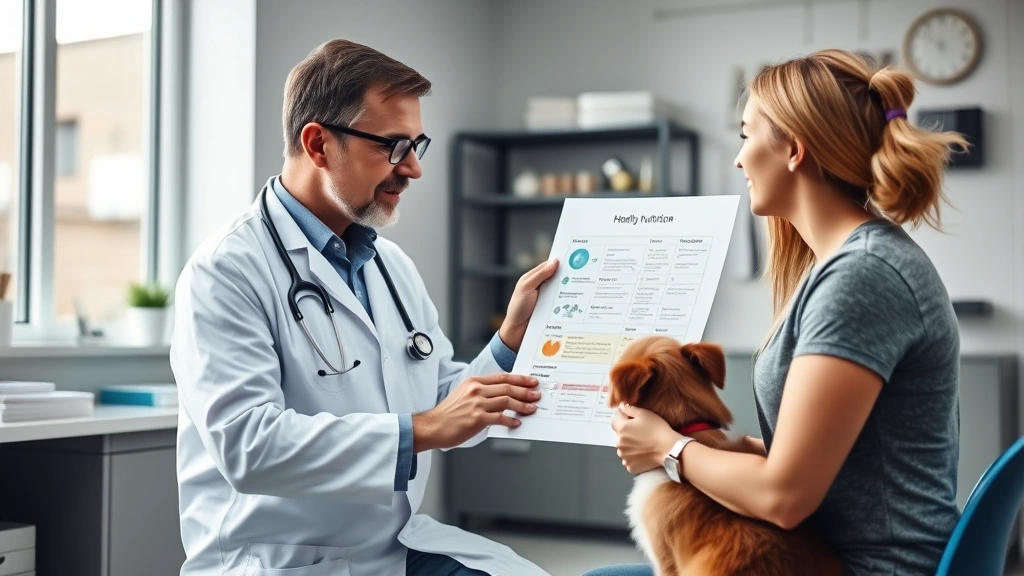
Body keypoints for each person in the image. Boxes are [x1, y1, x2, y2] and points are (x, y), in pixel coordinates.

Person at [171, 39, 558, 576]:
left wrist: (512, 338)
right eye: (394, 146)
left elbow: (445, 401)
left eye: (416, 143)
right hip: (281, 560)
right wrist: (421, 430)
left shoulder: (390, 266)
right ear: (318, 143)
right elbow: (249, 446)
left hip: (394, 545)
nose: (414, 169)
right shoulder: (227, 270)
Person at [584, 49, 967, 576]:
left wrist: (669, 448)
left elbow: (785, 497)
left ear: (792, 149)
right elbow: (848, 459)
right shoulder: (841, 266)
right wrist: (737, 448)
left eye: (746, 135)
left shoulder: (862, 277)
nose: (739, 158)